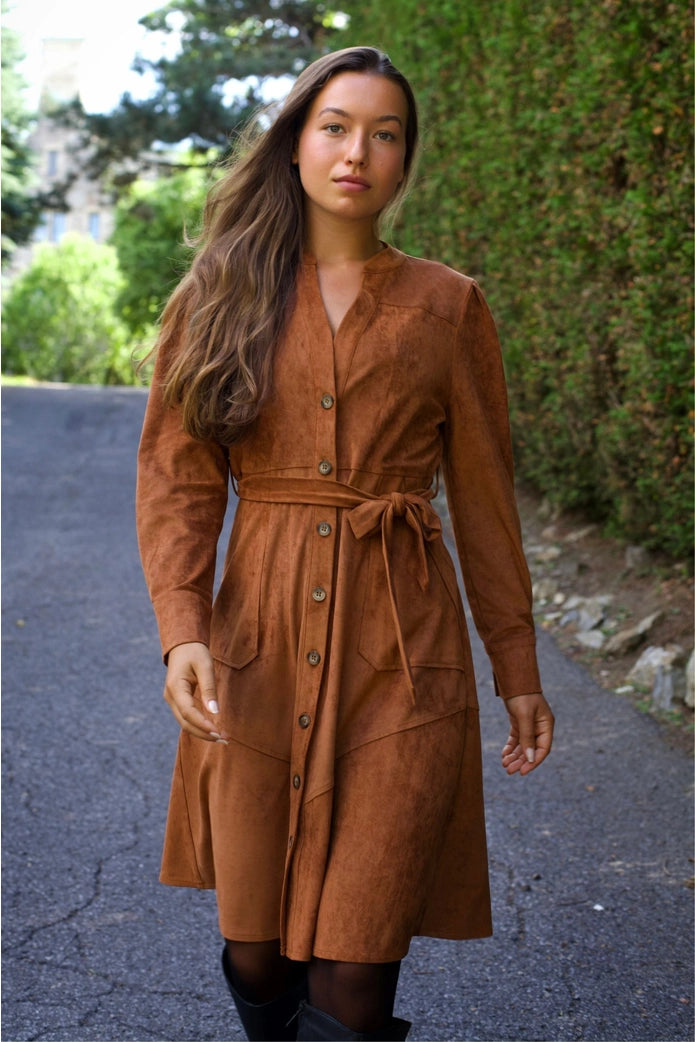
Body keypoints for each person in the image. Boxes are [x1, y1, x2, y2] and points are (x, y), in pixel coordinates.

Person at [136, 45, 554, 1042]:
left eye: (384, 132)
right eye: (334, 126)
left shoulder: (448, 307)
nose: (356, 151)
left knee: (355, 970)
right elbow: (178, 482)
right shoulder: (217, 295)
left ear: (405, 160)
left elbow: (484, 498)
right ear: (293, 146)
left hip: (405, 659)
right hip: (258, 648)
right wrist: (181, 627)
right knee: (259, 947)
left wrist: (517, 665)